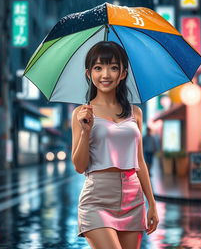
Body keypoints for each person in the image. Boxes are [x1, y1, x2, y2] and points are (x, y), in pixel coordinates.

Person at [71, 41, 159, 249]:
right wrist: (86, 130)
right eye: (98, 67)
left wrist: (152, 204)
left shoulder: (135, 113)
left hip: (133, 198)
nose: (105, 74)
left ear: (123, 73)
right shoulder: (81, 114)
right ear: (88, 73)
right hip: (97, 199)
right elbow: (79, 166)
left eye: (113, 67)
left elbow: (140, 162)